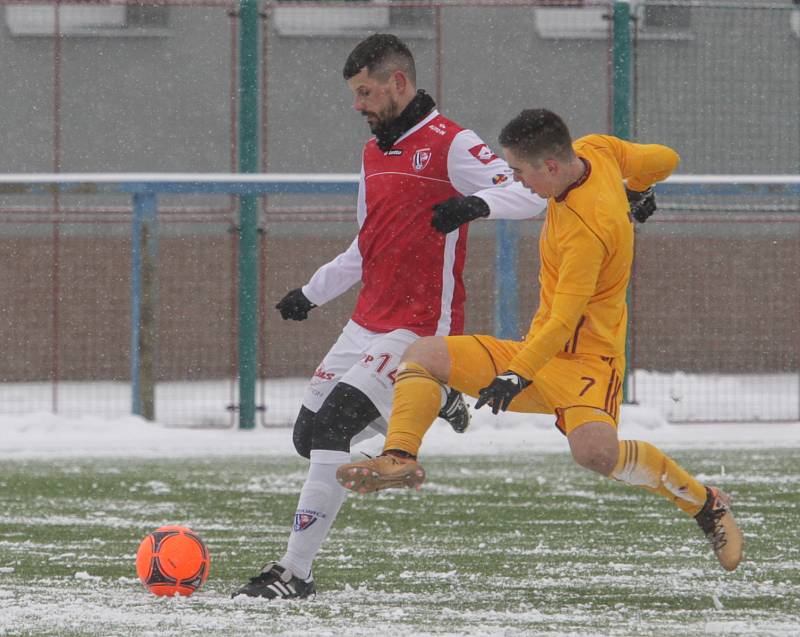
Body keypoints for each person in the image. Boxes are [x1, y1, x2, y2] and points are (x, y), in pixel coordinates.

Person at [337, 109, 744, 573]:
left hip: (588, 361)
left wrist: (515, 374)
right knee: (423, 355)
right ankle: (399, 456)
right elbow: (666, 158)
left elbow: (565, 320)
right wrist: (638, 187)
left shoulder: (589, 231)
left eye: (519, 172)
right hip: (538, 348)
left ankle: (704, 503)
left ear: (549, 167)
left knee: (596, 454)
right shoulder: (599, 150)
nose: (517, 181)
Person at [232, 34, 549, 600]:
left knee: (333, 426)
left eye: (365, 92)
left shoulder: (451, 142)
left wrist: (478, 203)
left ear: (397, 83)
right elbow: (365, 244)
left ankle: (293, 573)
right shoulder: (373, 153)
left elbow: (530, 194)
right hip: (365, 322)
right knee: (310, 438)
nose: (358, 105)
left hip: (420, 327)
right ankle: (433, 397)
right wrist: (311, 292)